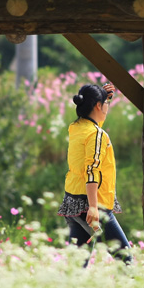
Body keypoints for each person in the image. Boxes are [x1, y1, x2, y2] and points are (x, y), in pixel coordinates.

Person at [57, 82, 132, 265]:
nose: (107, 107)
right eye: (104, 104)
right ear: (97, 106)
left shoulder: (77, 128)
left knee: (77, 261)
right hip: (92, 204)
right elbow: (92, 170)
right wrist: (93, 207)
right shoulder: (96, 135)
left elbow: (95, 126)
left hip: (73, 200)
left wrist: (105, 98)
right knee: (125, 258)